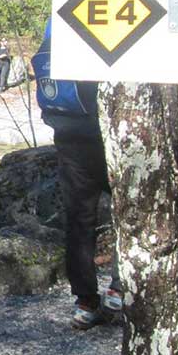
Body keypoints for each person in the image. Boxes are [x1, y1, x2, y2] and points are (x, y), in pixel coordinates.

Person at [34, 20, 122, 331]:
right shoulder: (106, 17)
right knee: (128, 212)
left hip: (67, 132)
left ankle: (85, 302)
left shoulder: (59, 19)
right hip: (105, 134)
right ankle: (119, 289)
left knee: (79, 219)